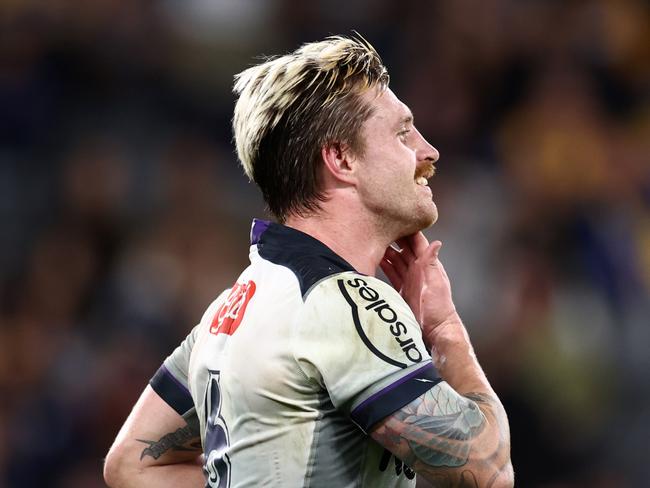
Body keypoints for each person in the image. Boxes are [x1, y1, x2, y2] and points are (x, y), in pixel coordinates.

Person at [104, 35, 513, 487]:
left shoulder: (229, 309)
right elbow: (488, 471)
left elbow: (131, 463)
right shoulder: (344, 301)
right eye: (402, 133)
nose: (428, 152)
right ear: (340, 158)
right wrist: (446, 330)